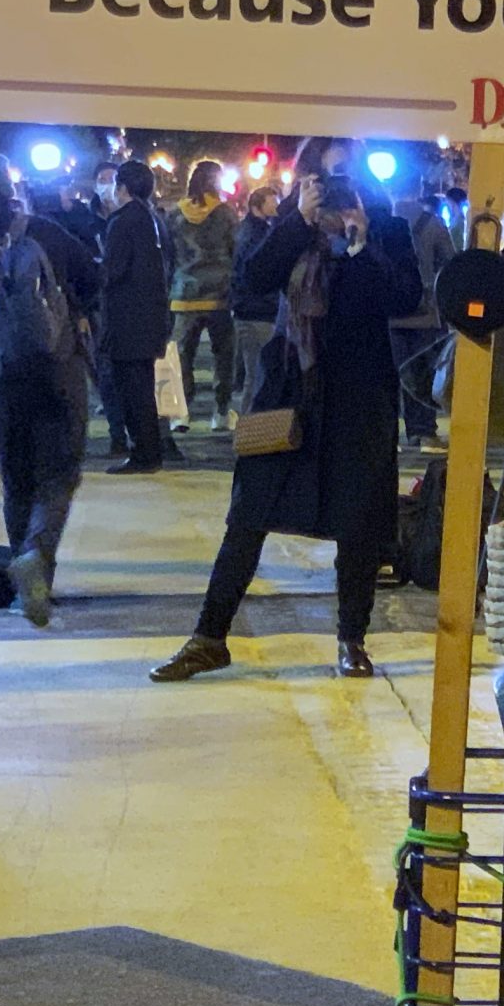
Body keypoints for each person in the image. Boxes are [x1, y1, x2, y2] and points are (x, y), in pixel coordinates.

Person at [150, 167, 422, 683]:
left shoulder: (385, 231)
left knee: (357, 524)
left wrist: (360, 243)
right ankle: (209, 637)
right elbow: (250, 281)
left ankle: (351, 639)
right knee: (248, 514)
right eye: (321, 186)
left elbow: (403, 298)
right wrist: (297, 222)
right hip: (289, 391)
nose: (333, 198)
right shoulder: (289, 230)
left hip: (359, 397)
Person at [0, 151, 95, 628]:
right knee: (59, 475)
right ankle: (37, 561)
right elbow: (91, 279)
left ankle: (22, 587)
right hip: (56, 371)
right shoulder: (44, 231)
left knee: (15, 478)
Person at [98, 159, 172, 474]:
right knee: (143, 388)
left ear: (123, 187)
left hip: (127, 318)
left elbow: (112, 271)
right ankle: (150, 449)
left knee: (132, 390)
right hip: (152, 315)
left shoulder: (122, 221)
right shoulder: (154, 220)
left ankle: (143, 452)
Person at [167, 159, 239, 433]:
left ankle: (180, 413)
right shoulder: (226, 214)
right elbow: (236, 251)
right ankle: (220, 412)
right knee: (223, 355)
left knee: (182, 355)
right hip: (219, 295)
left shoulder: (175, 214)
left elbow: (169, 256)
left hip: (184, 293)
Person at [390, 181, 457, 450]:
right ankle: (423, 432)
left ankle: (390, 433)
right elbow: (450, 264)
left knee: (390, 377)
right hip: (426, 314)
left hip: (388, 314)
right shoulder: (433, 224)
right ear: (418, 188)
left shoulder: (379, 219)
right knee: (422, 375)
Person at [230, 181, 286, 412]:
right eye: (273, 202)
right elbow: (251, 275)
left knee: (257, 375)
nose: (277, 206)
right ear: (257, 206)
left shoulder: (254, 231)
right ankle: (249, 431)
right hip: (256, 312)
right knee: (257, 375)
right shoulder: (255, 235)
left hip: (254, 310)